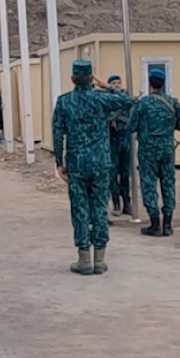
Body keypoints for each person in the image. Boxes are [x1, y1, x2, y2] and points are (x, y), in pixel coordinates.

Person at [51, 60, 132, 275]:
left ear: (72, 79)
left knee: (79, 210)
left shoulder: (63, 102)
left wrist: (59, 161)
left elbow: (58, 133)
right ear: (90, 78)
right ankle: (100, 259)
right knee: (99, 209)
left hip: (76, 163)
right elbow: (126, 99)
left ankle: (84, 259)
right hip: (101, 162)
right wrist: (105, 85)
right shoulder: (102, 99)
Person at [129, 68, 180, 237]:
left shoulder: (143, 103)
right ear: (164, 84)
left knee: (148, 184)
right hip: (167, 149)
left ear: (150, 84)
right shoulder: (173, 102)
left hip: (147, 150)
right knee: (168, 183)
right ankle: (168, 224)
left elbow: (131, 126)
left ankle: (155, 224)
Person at [107, 75, 132, 216]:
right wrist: (112, 120)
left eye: (118, 82)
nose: (116, 85)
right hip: (112, 140)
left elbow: (132, 118)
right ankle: (116, 203)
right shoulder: (106, 100)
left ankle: (127, 203)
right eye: (113, 83)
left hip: (125, 139)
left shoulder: (127, 100)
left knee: (125, 174)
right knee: (112, 174)